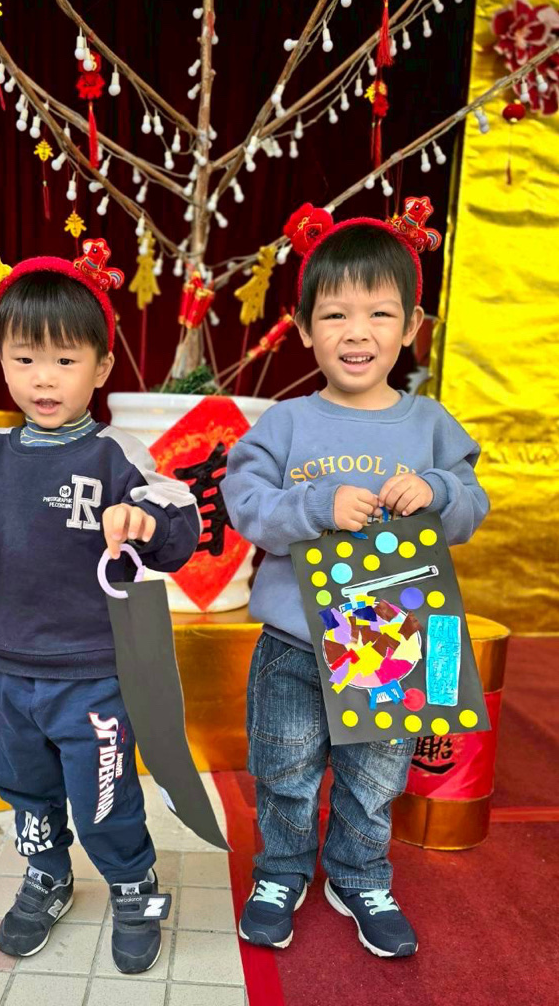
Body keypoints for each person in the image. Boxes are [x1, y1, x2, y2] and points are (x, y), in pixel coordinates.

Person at [0, 245, 201, 974]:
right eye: (24, 359)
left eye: (64, 360)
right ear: (2, 361)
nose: (44, 378)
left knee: (103, 796)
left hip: (94, 677)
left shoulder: (118, 454)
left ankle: (134, 885)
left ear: (102, 367)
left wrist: (144, 520)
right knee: (24, 788)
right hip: (6, 672)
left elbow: (179, 517)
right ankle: (47, 874)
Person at [221, 201, 489, 958]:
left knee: (374, 778)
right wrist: (314, 506)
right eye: (334, 314)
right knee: (286, 770)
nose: (356, 332)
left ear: (411, 326)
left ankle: (360, 874)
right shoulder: (284, 424)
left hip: (395, 642)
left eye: (379, 313)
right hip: (292, 643)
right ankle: (281, 871)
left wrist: (436, 489)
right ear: (304, 328)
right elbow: (245, 505)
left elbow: (472, 507)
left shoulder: (431, 425)